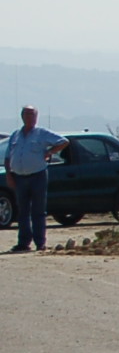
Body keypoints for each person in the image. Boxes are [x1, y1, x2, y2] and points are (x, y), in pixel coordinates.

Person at [3, 106, 69, 253]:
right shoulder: (15, 135)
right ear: (22, 116)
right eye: (27, 114)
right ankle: (23, 243)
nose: (30, 117)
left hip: (38, 176)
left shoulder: (42, 133)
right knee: (22, 211)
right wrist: (9, 175)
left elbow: (64, 141)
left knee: (38, 211)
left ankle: (40, 243)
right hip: (19, 177)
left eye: (32, 114)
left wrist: (50, 152)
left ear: (36, 117)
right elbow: (8, 157)